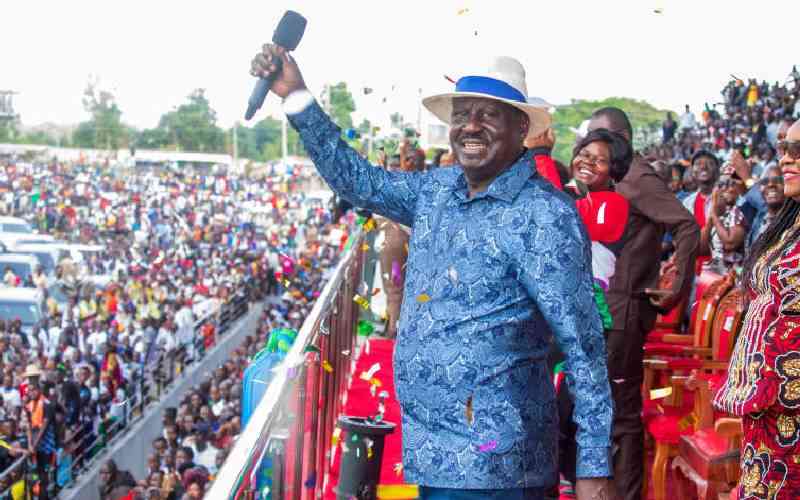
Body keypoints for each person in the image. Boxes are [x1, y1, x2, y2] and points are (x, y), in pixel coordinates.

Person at [251, 48, 613, 498]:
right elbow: (357, 181)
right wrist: (298, 97)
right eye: (462, 114)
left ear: (522, 128)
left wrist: (594, 464)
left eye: (488, 115)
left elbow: (585, 346)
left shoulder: (545, 215)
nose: (470, 126)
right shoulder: (437, 190)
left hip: (497, 465)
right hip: (432, 454)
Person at [585, 107, 699, 500]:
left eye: (599, 139)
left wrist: (676, 281)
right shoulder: (610, 180)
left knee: (622, 417)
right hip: (604, 310)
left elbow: (687, 224)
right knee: (605, 413)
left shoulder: (638, 178)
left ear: (622, 139)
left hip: (624, 313)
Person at [713, 119, 800, 499]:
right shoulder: (788, 224)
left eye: (797, 150)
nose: (786, 159)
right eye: (783, 148)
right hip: (768, 409)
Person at [700, 175, 748, 273]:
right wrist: (711, 217)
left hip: (732, 273)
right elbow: (701, 248)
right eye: (721, 185)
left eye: (731, 184)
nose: (726, 188)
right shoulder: (713, 213)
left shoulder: (738, 211)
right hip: (713, 270)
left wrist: (714, 215)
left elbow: (730, 243)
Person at [682, 149, 720, 274]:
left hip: (721, 270)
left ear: (717, 171)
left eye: (709, 163)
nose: (704, 166)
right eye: (698, 164)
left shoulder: (728, 199)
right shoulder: (687, 203)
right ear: (692, 172)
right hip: (694, 271)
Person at [746, 166, 786, 249]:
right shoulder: (761, 215)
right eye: (765, 181)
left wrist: (746, 178)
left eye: (777, 180)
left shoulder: (794, 219)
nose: (771, 184)